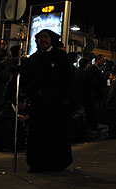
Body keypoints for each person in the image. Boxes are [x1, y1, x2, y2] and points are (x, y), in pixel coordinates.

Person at [21, 29, 73, 173]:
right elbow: (27, 80)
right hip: (38, 103)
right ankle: (36, 163)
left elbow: (68, 80)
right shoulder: (33, 58)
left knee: (54, 135)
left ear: (51, 40)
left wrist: (66, 99)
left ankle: (55, 164)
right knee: (37, 135)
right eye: (40, 37)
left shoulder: (61, 57)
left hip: (55, 104)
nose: (43, 40)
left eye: (46, 37)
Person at [81, 55, 106, 131]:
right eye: (102, 60)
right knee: (93, 111)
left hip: (98, 94)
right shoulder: (93, 69)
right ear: (97, 60)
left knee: (96, 111)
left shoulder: (98, 69)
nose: (103, 62)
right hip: (95, 94)